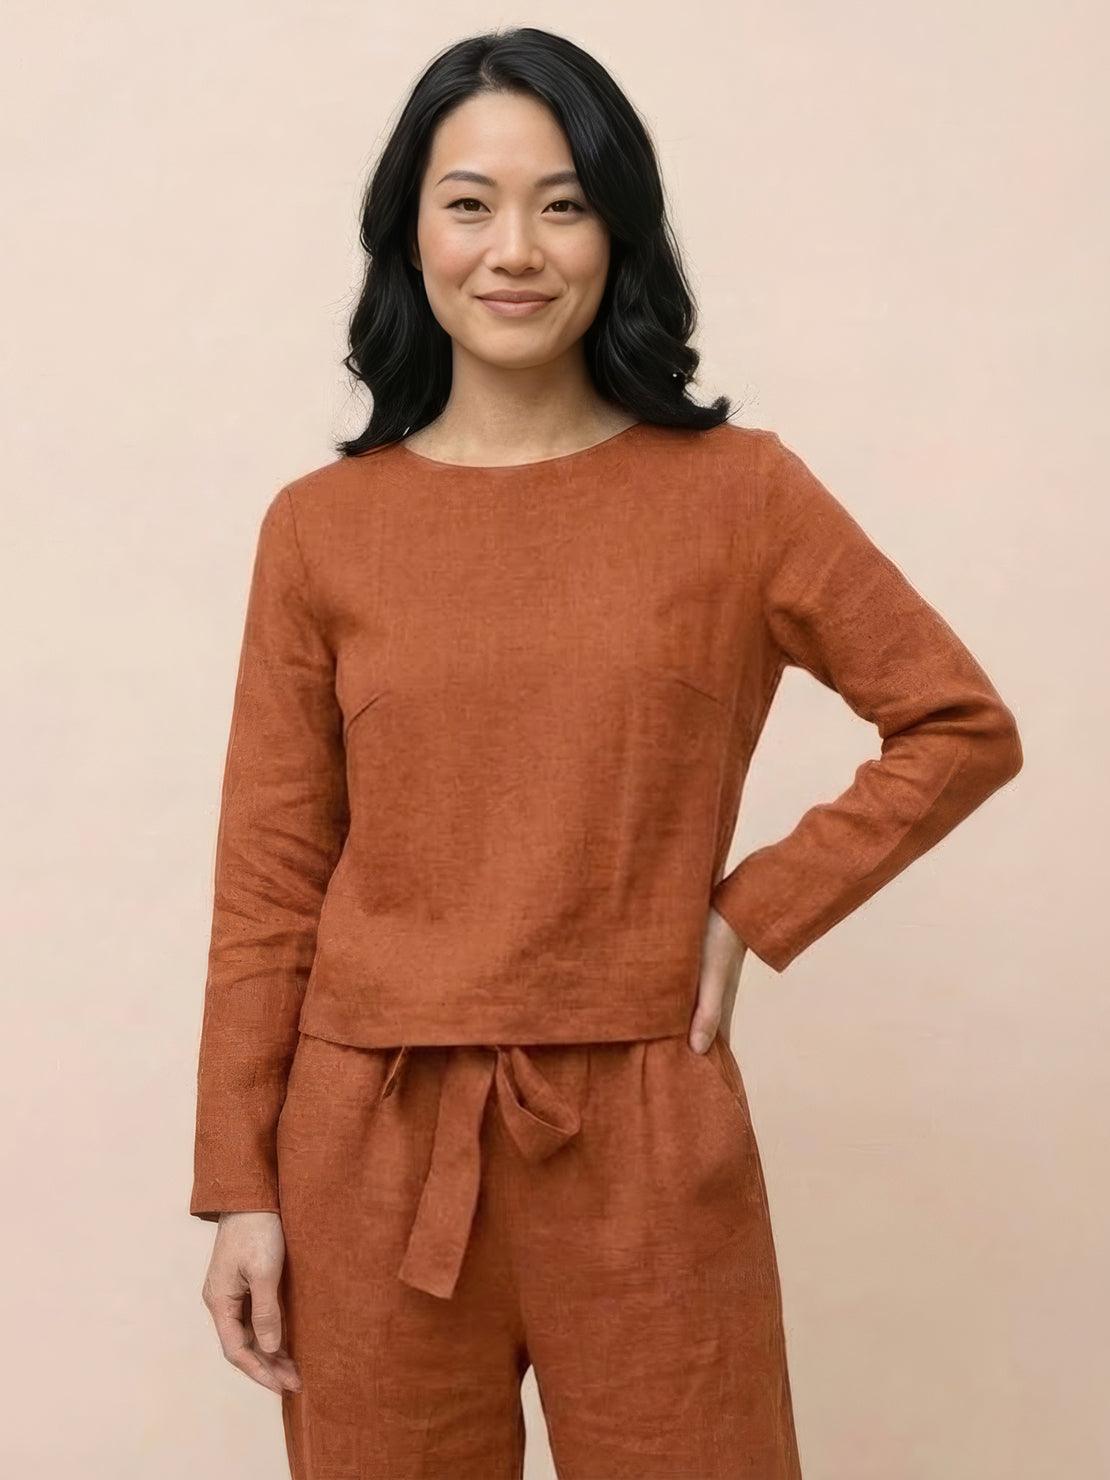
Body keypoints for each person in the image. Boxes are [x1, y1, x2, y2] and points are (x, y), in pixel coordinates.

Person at [189, 26, 1023, 1480]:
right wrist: (237, 1188)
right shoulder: (320, 530)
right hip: (366, 1139)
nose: (514, 250)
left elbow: (955, 724)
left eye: (563, 204)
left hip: (644, 1121)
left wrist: (750, 913)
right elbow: (269, 883)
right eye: (469, 203)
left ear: (619, 231)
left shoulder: (737, 495)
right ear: (408, 233)